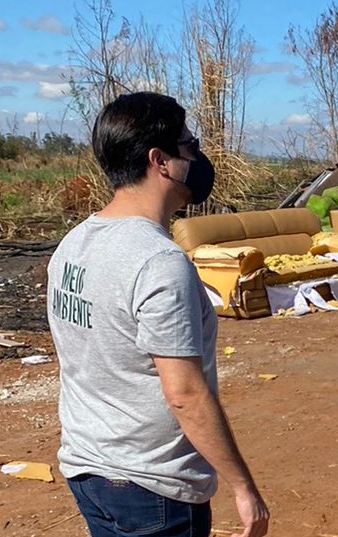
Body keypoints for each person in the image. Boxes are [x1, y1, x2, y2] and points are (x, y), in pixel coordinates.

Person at [46, 92, 269, 537]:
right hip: (153, 487)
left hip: (89, 470)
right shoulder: (159, 262)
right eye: (189, 145)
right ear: (159, 160)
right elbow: (184, 393)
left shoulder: (73, 245)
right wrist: (244, 487)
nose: (197, 156)